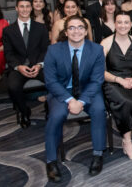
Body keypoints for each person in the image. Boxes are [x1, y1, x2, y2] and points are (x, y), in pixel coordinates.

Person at [43, 15, 106, 182]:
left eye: (80, 27)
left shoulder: (97, 50)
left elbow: (97, 80)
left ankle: (98, 154)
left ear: (86, 31)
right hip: (62, 91)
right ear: (65, 31)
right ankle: (51, 161)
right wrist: (71, 100)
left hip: (88, 90)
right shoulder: (54, 50)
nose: (76, 31)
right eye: (71, 27)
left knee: (99, 110)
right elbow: (50, 81)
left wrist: (82, 101)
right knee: (56, 116)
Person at [100, 11, 132, 161]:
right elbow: (101, 72)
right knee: (126, 102)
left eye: (126, 22)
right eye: (119, 22)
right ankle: (127, 141)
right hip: (113, 82)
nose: (123, 25)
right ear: (115, 24)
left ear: (131, 25)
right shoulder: (105, 43)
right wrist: (119, 80)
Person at [3, 0, 50, 128]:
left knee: (54, 80)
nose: (25, 9)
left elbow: (45, 49)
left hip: (38, 65)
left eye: (27, 6)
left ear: (31, 8)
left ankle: (49, 107)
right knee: (13, 87)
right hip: (19, 67)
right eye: (21, 6)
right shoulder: (8, 30)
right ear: (16, 8)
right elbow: (8, 53)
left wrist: (39, 65)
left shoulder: (41, 28)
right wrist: (18, 67)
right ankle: (24, 112)